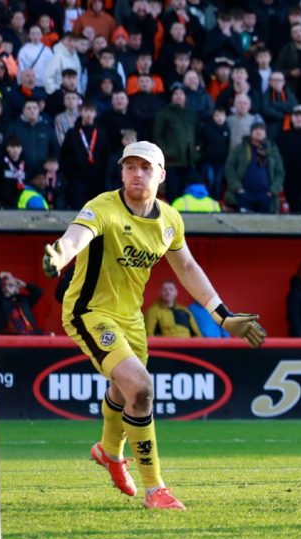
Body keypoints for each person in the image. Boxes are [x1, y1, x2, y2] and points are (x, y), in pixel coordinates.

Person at [41, 141, 266, 510]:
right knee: (142, 387)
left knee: (125, 389)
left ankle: (109, 452)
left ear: (161, 175)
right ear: (121, 172)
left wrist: (222, 315)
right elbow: (75, 237)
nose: (137, 173)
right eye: (130, 166)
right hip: (89, 312)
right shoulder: (103, 207)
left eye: (145, 168)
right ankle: (155, 489)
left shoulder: (169, 220)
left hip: (131, 319)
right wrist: (59, 255)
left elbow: (188, 268)